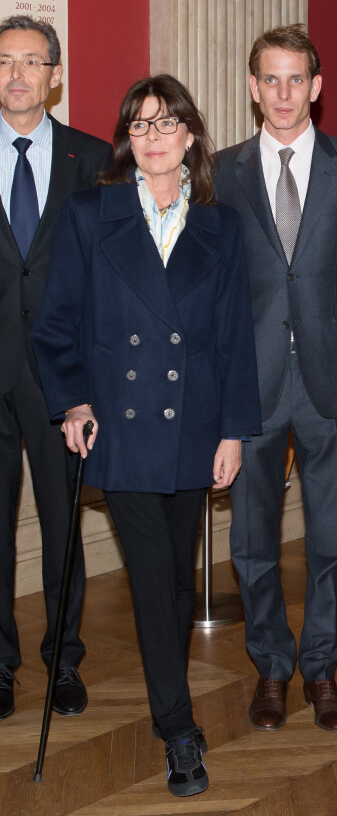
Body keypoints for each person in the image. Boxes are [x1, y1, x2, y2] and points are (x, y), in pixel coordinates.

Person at [32, 74, 261, 797]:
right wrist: (71, 405)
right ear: (127, 141)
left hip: (193, 430)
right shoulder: (90, 214)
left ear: (191, 136)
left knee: (167, 572)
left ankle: (175, 715)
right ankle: (179, 731)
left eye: (167, 124)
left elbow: (234, 341)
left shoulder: (222, 227)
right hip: (120, 435)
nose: (154, 137)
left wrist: (233, 432)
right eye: (140, 125)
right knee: (157, 584)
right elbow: (55, 324)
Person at [214, 25, 337, 733]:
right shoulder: (222, 171)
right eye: (269, 79)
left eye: (296, 79)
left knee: (330, 539)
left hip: (330, 379)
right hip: (247, 385)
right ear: (253, 88)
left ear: (316, 86)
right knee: (250, 540)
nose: (283, 93)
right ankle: (271, 670)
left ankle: (321, 668)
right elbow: (213, 283)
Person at [0, 15, 112, 721]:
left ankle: (63, 658)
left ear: (55, 75)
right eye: (4, 61)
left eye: (30, 62)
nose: (15, 74)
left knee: (63, 525)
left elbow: (107, 275)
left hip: (60, 379)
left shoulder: (91, 158)